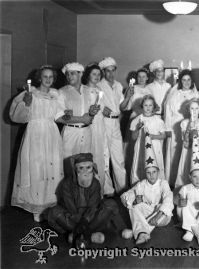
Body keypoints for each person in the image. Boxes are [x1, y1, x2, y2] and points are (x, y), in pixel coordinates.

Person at [10, 65, 64, 222]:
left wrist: (69, 116)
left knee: (51, 167)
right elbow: (17, 117)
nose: (48, 80)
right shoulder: (30, 93)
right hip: (35, 134)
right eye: (45, 77)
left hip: (52, 133)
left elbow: (59, 115)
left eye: (51, 77)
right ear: (40, 78)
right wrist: (26, 104)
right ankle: (37, 207)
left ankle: (50, 205)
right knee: (36, 168)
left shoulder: (56, 95)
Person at [47, 153, 124, 246]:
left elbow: (93, 206)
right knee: (52, 212)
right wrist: (79, 222)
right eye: (81, 168)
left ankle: (77, 235)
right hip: (73, 218)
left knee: (111, 204)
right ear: (75, 169)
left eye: (88, 168)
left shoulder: (95, 183)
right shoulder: (66, 184)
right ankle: (88, 235)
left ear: (93, 168)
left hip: (91, 219)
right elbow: (70, 207)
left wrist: (85, 221)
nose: (85, 172)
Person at [120, 133, 173, 245]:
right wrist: (129, 200)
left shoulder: (163, 183)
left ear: (158, 172)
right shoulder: (142, 184)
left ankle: (137, 230)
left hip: (161, 216)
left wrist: (159, 214)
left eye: (154, 172)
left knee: (160, 207)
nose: (151, 175)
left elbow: (168, 198)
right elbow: (128, 193)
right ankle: (143, 233)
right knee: (133, 205)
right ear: (145, 173)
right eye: (148, 173)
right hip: (147, 213)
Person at [164, 69, 199, 187]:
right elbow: (168, 111)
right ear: (180, 81)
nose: (186, 82)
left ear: (192, 81)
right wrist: (168, 129)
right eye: (184, 80)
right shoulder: (174, 93)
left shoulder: (195, 94)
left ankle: (186, 181)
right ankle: (173, 181)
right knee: (174, 153)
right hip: (175, 125)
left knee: (187, 151)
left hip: (188, 125)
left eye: (189, 80)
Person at [97, 57, 127, 195]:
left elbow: (122, 106)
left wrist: (128, 97)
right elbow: (94, 102)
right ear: (103, 72)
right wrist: (102, 107)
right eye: (107, 71)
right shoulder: (98, 85)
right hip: (103, 122)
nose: (110, 74)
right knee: (104, 156)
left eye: (112, 71)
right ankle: (107, 189)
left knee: (118, 157)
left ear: (115, 71)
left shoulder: (119, 85)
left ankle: (122, 188)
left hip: (115, 122)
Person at [57, 62, 99, 158]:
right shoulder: (62, 92)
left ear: (80, 74)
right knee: (68, 164)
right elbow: (59, 117)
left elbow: (91, 114)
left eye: (72, 73)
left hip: (87, 132)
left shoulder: (89, 91)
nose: (69, 76)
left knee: (85, 162)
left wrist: (92, 113)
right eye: (67, 74)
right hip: (70, 133)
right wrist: (81, 119)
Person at [82, 63, 108, 195]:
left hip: (100, 126)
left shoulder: (100, 90)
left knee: (100, 157)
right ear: (87, 75)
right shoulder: (83, 90)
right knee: (89, 156)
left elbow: (102, 107)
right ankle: (87, 193)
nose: (97, 76)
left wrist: (105, 110)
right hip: (89, 126)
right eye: (94, 74)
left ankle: (100, 193)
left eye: (99, 74)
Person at [130, 95, 166, 185]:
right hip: (141, 148)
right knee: (141, 166)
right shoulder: (137, 120)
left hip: (155, 148)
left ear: (154, 106)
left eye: (150, 105)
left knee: (155, 165)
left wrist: (152, 136)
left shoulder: (158, 121)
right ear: (142, 106)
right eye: (146, 105)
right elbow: (133, 137)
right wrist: (137, 129)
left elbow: (163, 136)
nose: (148, 108)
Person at [175, 98, 199, 188]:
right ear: (188, 109)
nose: (194, 111)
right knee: (187, 168)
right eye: (192, 108)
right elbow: (185, 139)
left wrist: (195, 141)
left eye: (196, 108)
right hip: (188, 151)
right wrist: (189, 125)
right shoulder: (184, 123)